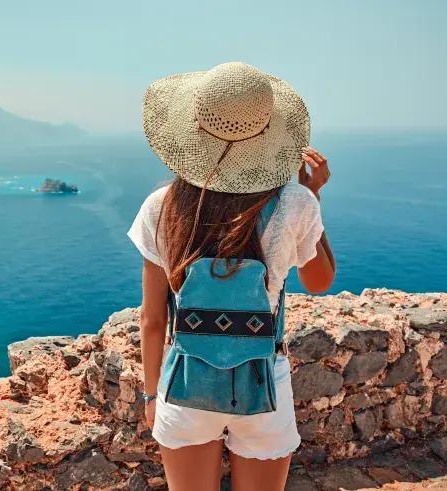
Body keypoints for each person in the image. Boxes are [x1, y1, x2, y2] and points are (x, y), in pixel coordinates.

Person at [128, 62, 336, 491]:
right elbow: (320, 282)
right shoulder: (295, 202)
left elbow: (151, 320)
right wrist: (312, 197)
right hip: (264, 387)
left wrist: (152, 398)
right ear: (269, 135)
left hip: (184, 382)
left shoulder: (161, 206)